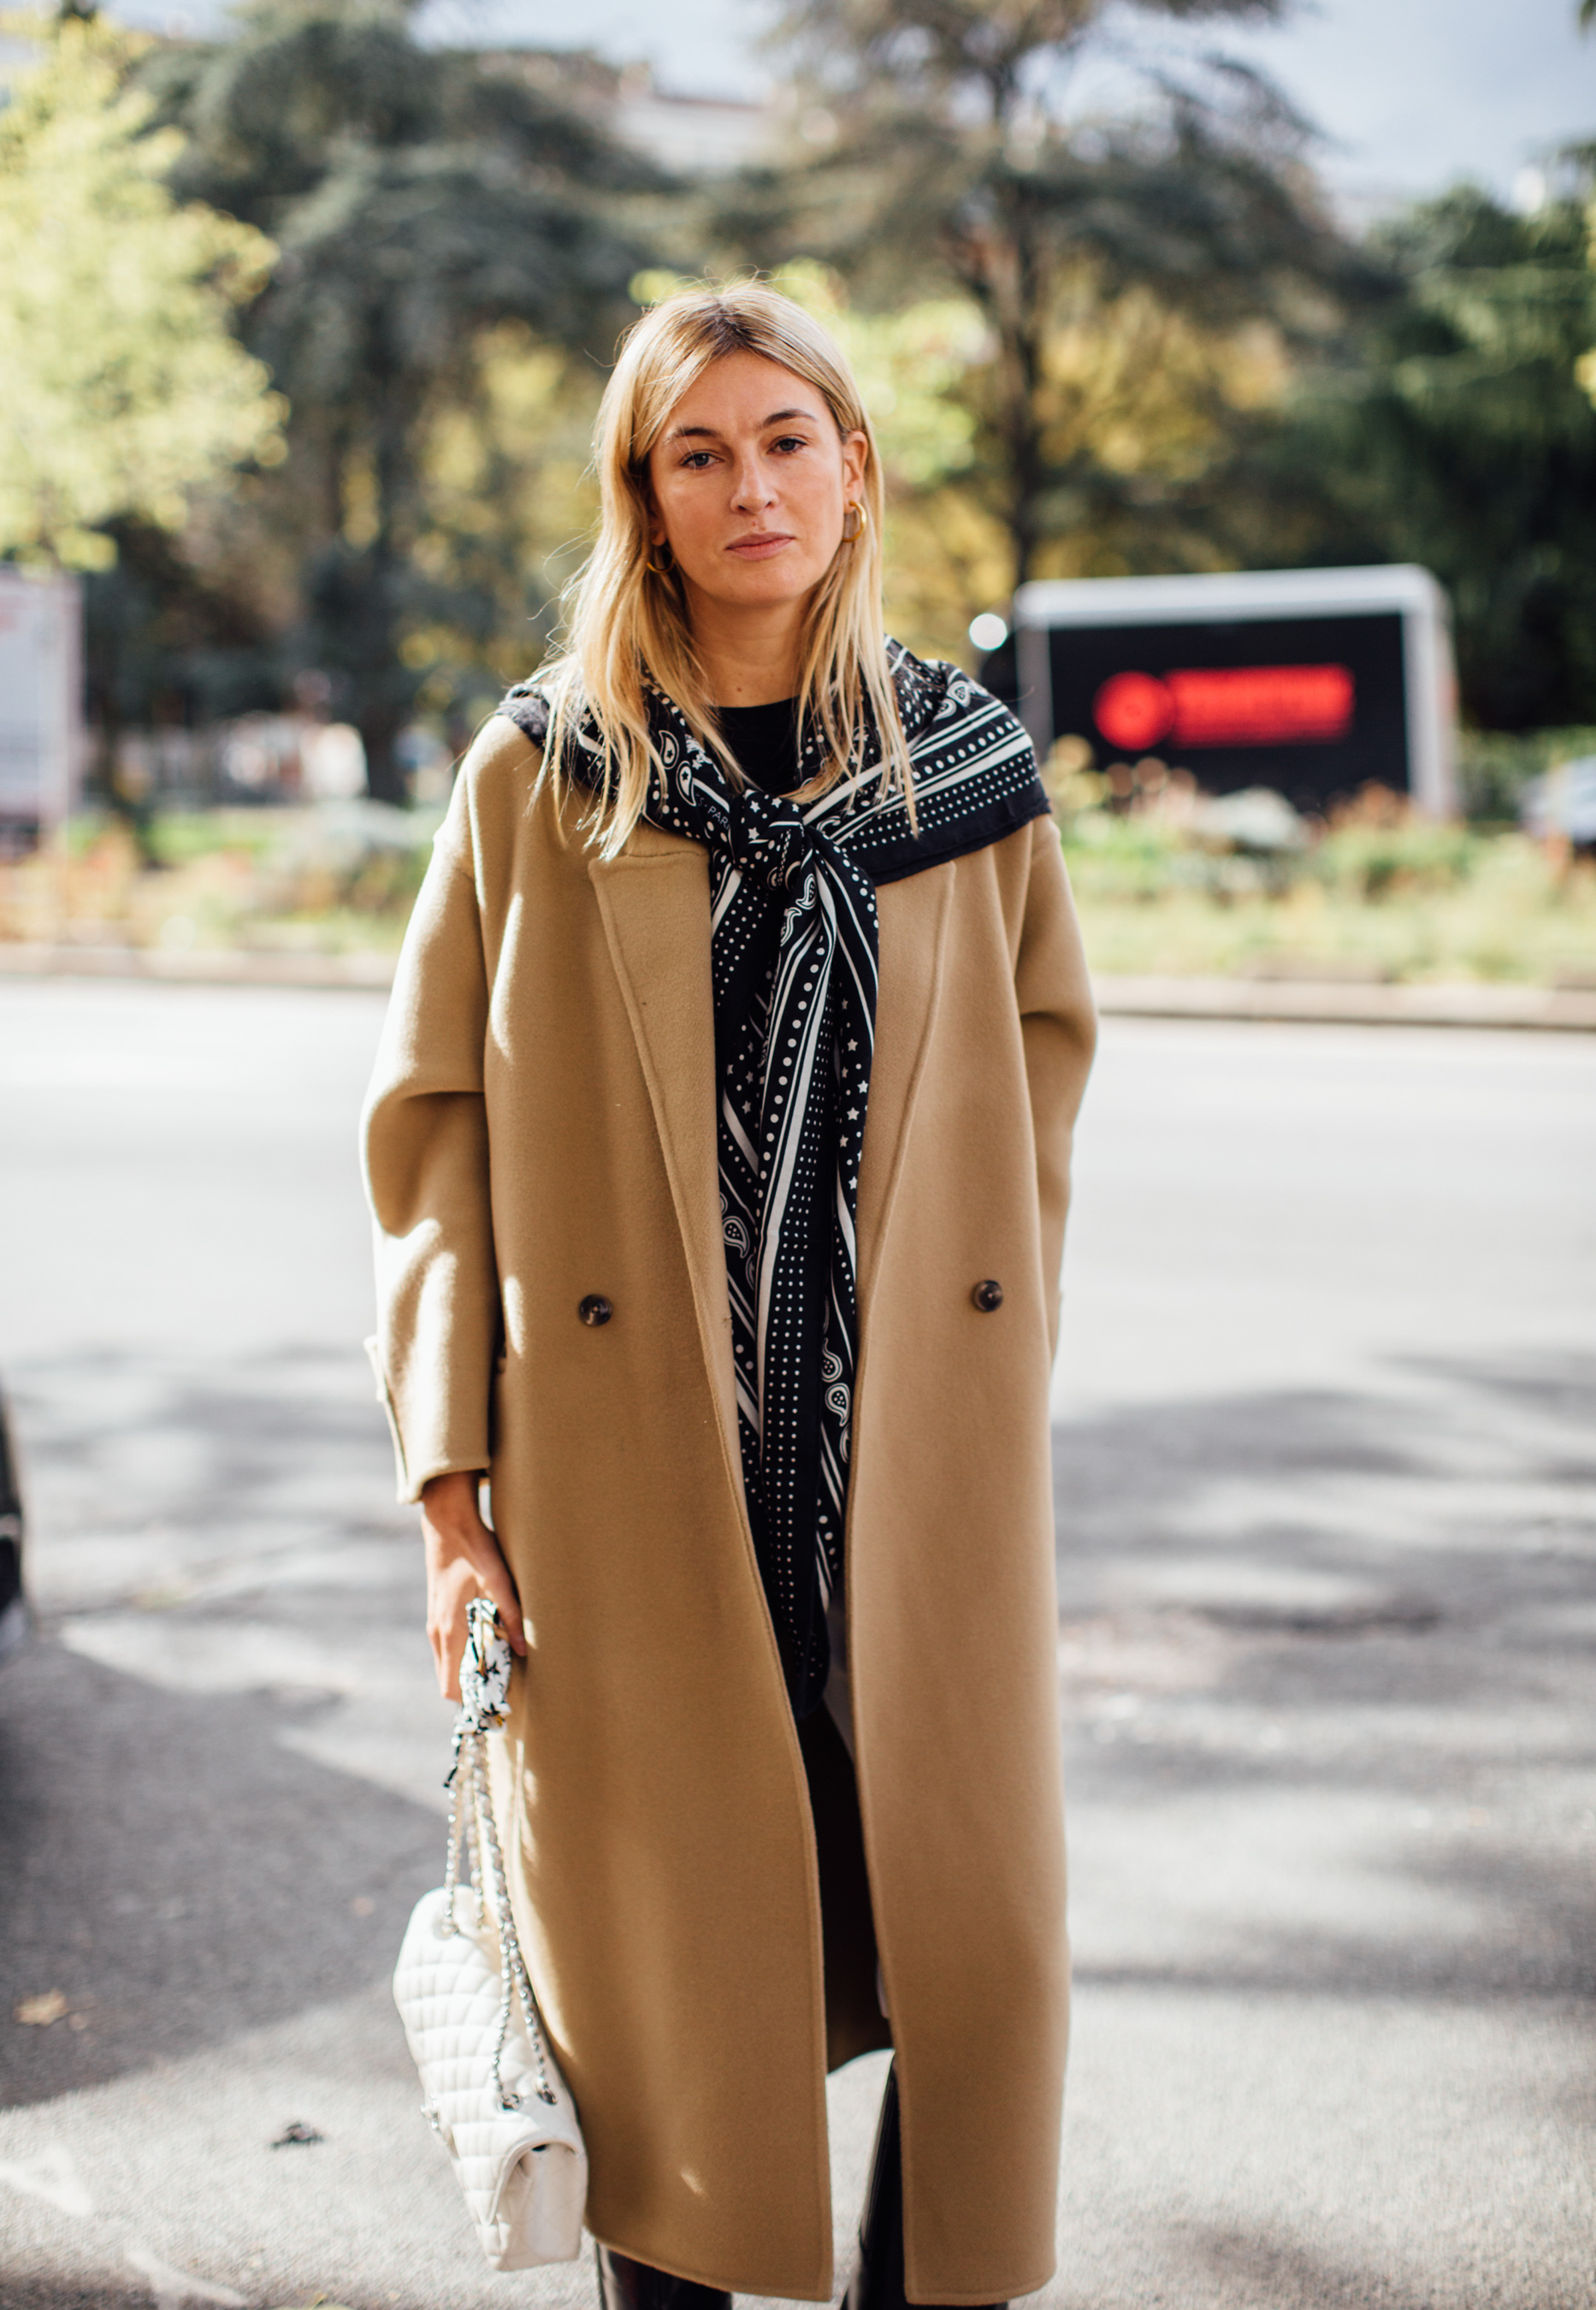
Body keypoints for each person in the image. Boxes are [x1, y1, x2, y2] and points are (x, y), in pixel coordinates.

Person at [361, 281, 1097, 2310]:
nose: (751, 483)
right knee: (663, 1973)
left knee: (977, 1946)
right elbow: (434, 1131)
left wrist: (992, 1339)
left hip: (906, 1470)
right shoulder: (548, 771)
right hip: (634, 1469)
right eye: (702, 451)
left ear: (853, 469)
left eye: (787, 438)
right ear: (647, 495)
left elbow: (1041, 1067)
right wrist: (452, 1498)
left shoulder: (966, 770)